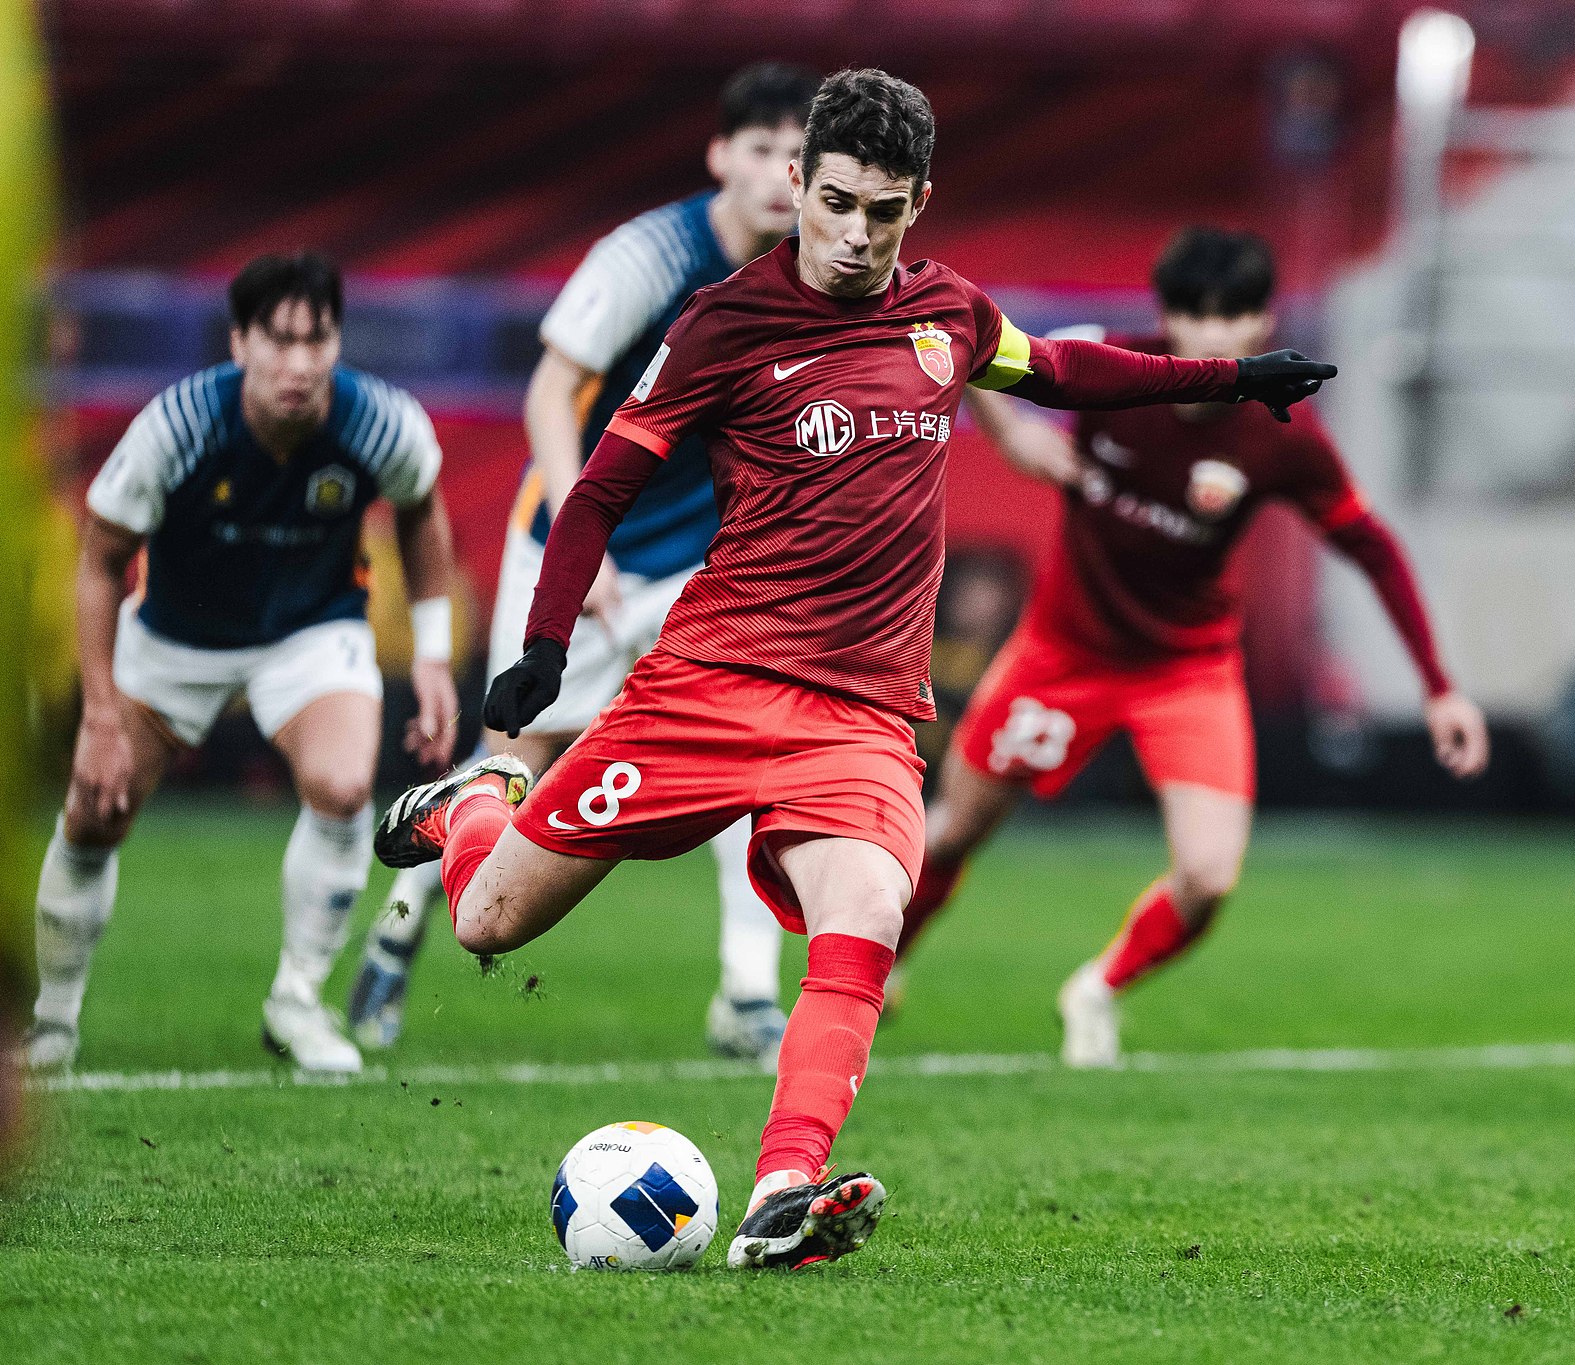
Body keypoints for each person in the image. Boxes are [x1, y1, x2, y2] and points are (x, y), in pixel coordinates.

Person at [372, 68, 1336, 1270]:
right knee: (488, 919)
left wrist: (1232, 381)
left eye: (883, 211)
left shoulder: (948, 318)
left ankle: (783, 1191)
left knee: (868, 910)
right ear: (796, 184)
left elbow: (1067, 376)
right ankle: (475, 806)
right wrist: (546, 648)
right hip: (705, 689)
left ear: (918, 202)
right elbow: (604, 484)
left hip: (865, 716)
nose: (855, 234)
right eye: (835, 203)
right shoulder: (724, 323)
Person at [892, 226, 1489, 1068]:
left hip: (1187, 671)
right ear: (1167, 318)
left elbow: (1368, 543)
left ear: (1262, 323)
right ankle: (883, 967)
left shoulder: (1279, 434)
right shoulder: (1110, 371)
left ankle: (1095, 986)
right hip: (1063, 652)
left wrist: (1437, 684)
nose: (1215, 334)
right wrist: (973, 383)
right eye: (1196, 315)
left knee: (1209, 878)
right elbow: (1009, 397)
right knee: (951, 832)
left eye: (1235, 316)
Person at [347, 64, 821, 1066]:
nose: (779, 173)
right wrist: (580, 532)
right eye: (758, 146)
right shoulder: (649, 253)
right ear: (718, 156)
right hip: (572, 541)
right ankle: (399, 918)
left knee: (752, 756)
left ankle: (744, 996)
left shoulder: (809, 268)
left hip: (698, 563)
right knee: (522, 757)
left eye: (796, 151)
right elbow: (551, 390)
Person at [26, 252, 458, 1075]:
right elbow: (98, 560)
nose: (298, 362)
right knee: (93, 814)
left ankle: (296, 1002)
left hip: (310, 629)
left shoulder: (381, 422)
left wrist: (433, 654)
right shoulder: (178, 426)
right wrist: (101, 715)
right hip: (173, 637)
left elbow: (421, 512)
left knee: (340, 787)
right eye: (278, 339)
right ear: (240, 342)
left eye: (316, 339)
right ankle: (50, 1021)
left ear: (337, 342)